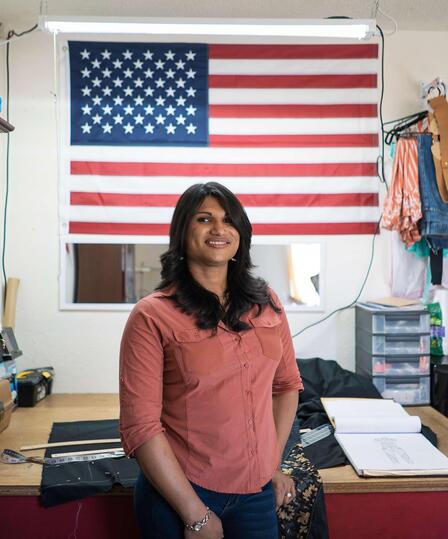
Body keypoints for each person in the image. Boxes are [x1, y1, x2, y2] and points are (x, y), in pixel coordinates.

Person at [119, 182, 303, 539]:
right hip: (181, 493)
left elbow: (286, 387)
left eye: (228, 220)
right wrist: (196, 516)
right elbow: (140, 428)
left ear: (241, 234)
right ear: (183, 231)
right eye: (204, 219)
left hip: (255, 496)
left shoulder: (267, 302)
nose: (219, 229)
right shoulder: (152, 316)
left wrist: (270, 463)